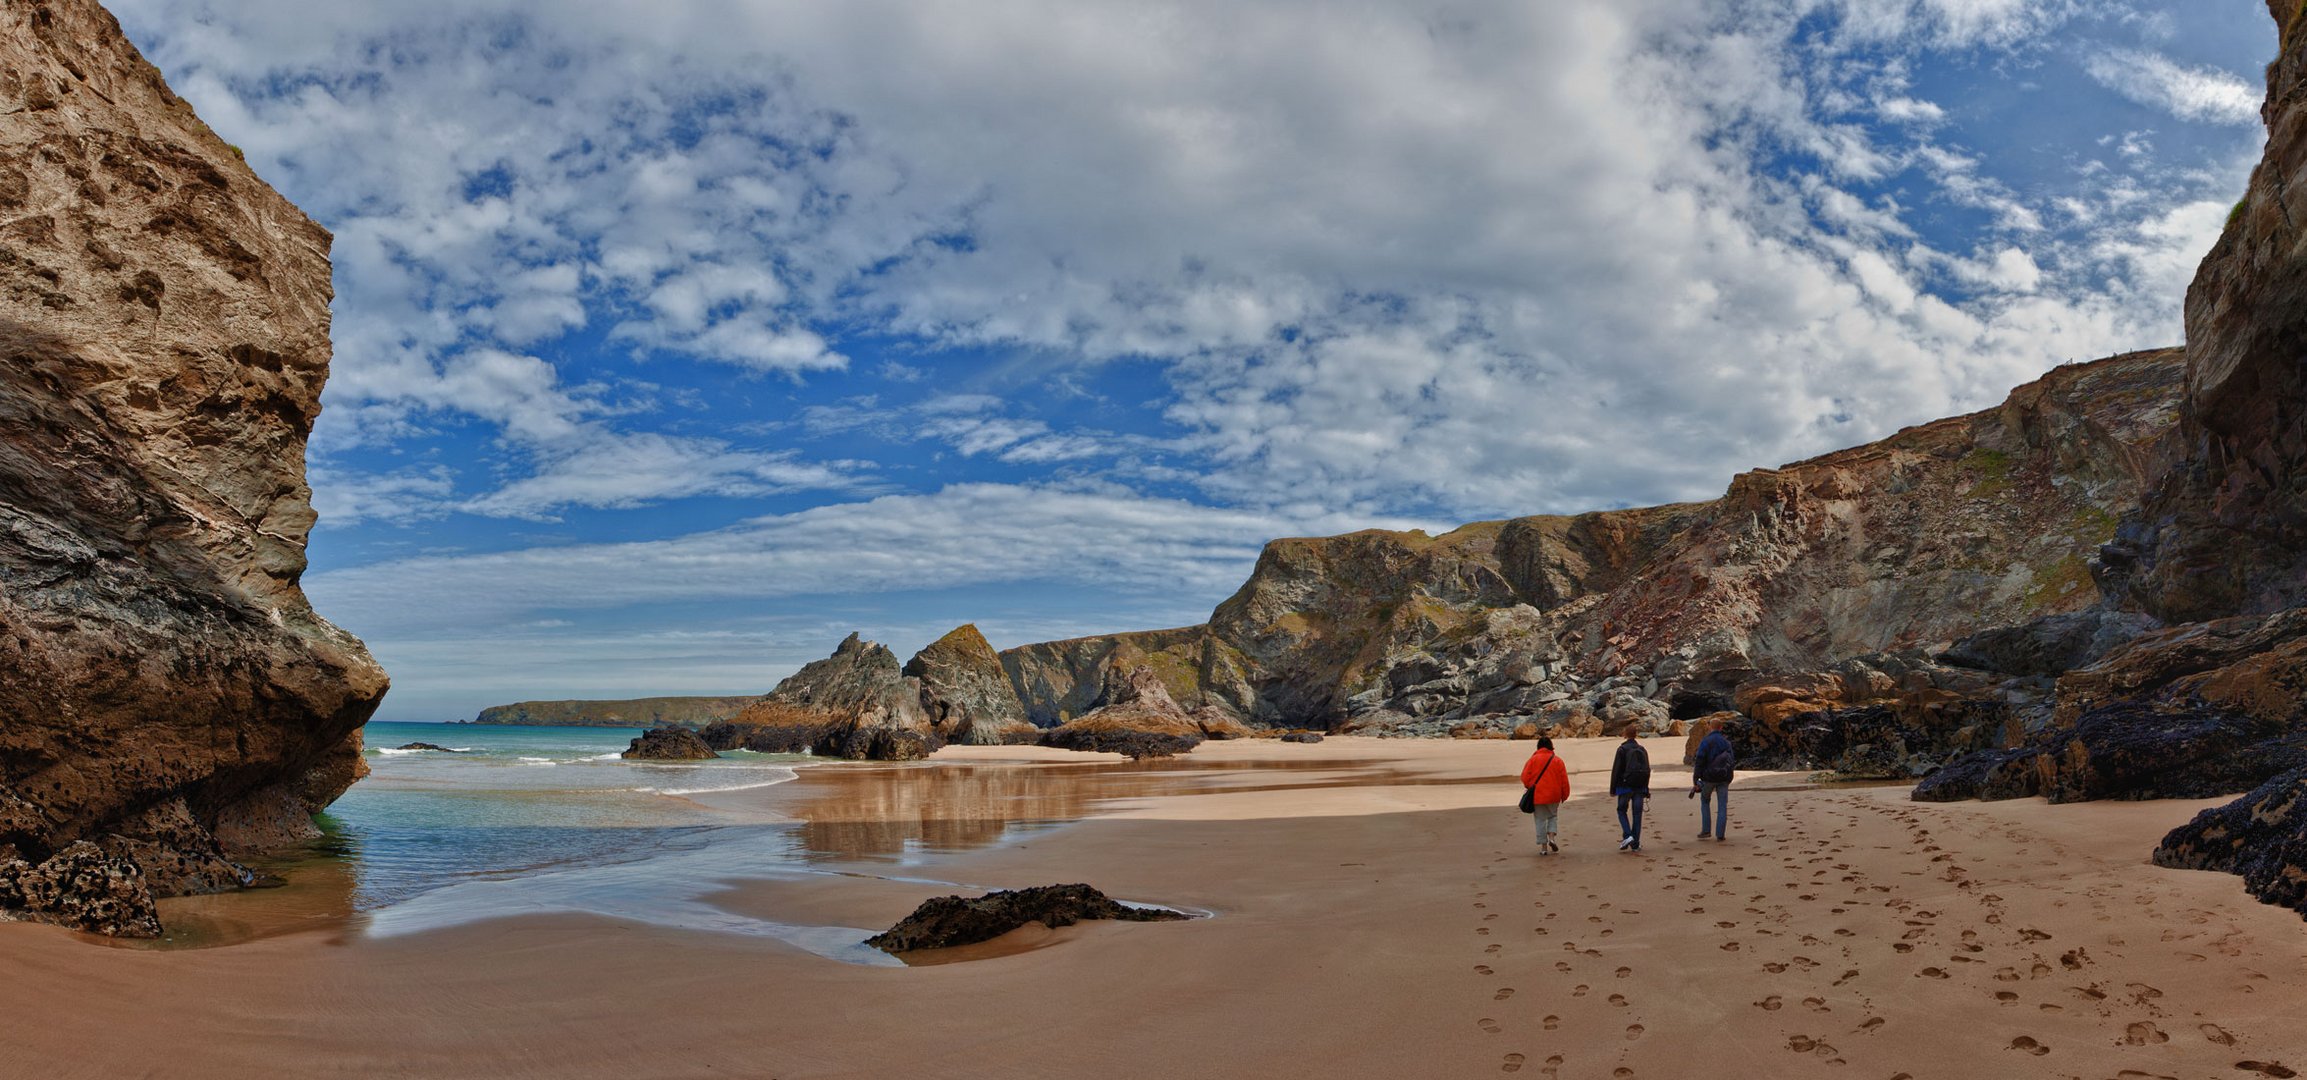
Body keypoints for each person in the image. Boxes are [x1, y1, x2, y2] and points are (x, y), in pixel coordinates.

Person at [1520, 736, 1571, 854]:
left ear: (1538, 746)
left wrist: (1529, 786)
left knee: (1540, 820)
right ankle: (1552, 838)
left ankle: (1543, 848)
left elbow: (1525, 777)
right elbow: (1564, 780)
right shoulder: (1558, 760)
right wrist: (1564, 795)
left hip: (1538, 795)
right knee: (1553, 816)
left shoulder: (1532, 760)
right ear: (1550, 746)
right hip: (1554, 795)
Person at [1691, 719, 1735, 840]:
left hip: (1708, 777)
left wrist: (1695, 779)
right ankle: (1720, 834)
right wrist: (1729, 777)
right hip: (1724, 777)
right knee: (1722, 805)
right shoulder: (1726, 742)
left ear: (1710, 727)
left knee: (1705, 801)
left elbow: (1699, 761)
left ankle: (1706, 830)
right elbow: (1731, 761)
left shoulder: (1706, 741)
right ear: (1721, 728)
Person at [1609, 723, 1650, 852]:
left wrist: (1613, 789)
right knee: (1637, 814)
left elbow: (1616, 770)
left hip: (1625, 786)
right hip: (1640, 786)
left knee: (1621, 810)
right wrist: (1646, 789)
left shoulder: (1622, 749)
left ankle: (1628, 835)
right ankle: (1635, 843)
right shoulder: (1642, 749)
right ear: (1636, 734)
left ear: (1625, 734)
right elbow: (1647, 770)